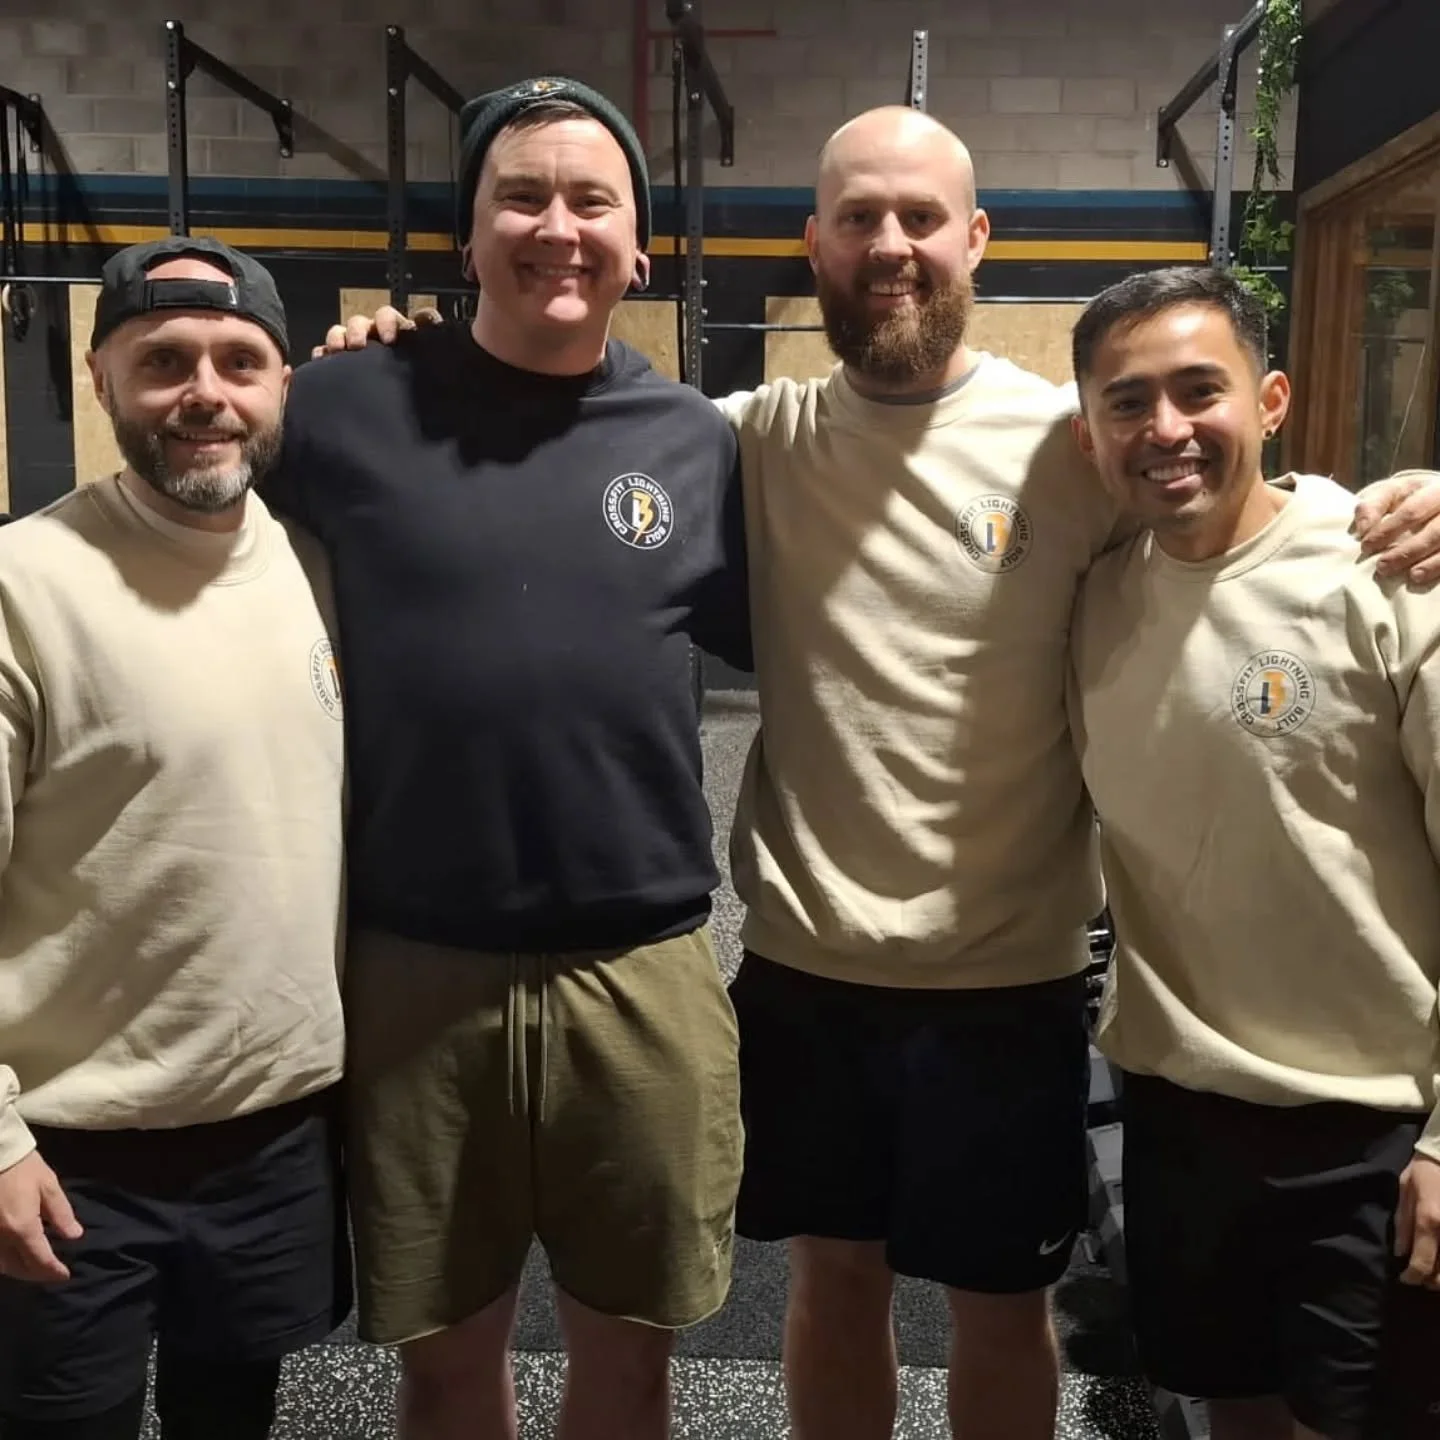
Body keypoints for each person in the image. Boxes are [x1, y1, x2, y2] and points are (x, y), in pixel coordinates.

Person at [326, 104, 1440, 1440]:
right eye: (859, 219)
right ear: (814, 245)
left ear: (976, 238)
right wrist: (387, 349)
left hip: (1010, 982)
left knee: (998, 1314)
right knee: (831, 1290)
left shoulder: (1067, 446)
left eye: (921, 220)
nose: (892, 247)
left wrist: (1398, 494)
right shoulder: (744, 435)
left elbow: (1231, 495)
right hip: (803, 970)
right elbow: (575, 428)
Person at [261, 77, 751, 1440]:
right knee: (440, 1366)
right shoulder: (344, 408)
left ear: (638, 246)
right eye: (519, 196)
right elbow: (175, 495)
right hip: (417, 971)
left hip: (641, 971)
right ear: (464, 240)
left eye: (591, 200)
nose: (558, 227)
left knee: (635, 1368)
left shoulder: (694, 443)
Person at [1068, 265, 1440, 1440]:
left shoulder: (1390, 573)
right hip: (1182, 1111)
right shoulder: (1094, 605)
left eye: (1198, 391)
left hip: (1374, 1126)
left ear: (1271, 401)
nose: (1165, 429)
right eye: (1128, 402)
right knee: (1234, 1417)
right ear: (1090, 431)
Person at [0, 236, 348, 1440]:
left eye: (239, 361)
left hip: (272, 1142)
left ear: (282, 383)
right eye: (165, 362)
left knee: (231, 1418)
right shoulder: (23, 584)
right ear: (101, 379)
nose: (206, 392)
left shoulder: (316, 567)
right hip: (67, 1156)